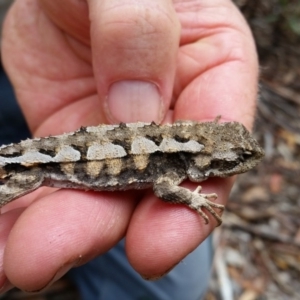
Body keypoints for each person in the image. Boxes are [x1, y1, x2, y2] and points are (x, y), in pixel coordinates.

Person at [0, 0, 258, 299]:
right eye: (237, 160)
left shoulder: (177, 147)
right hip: (41, 164)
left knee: (176, 283)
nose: (245, 163)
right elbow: (163, 189)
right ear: (208, 159)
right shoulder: (173, 165)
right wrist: (192, 198)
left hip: (45, 103)